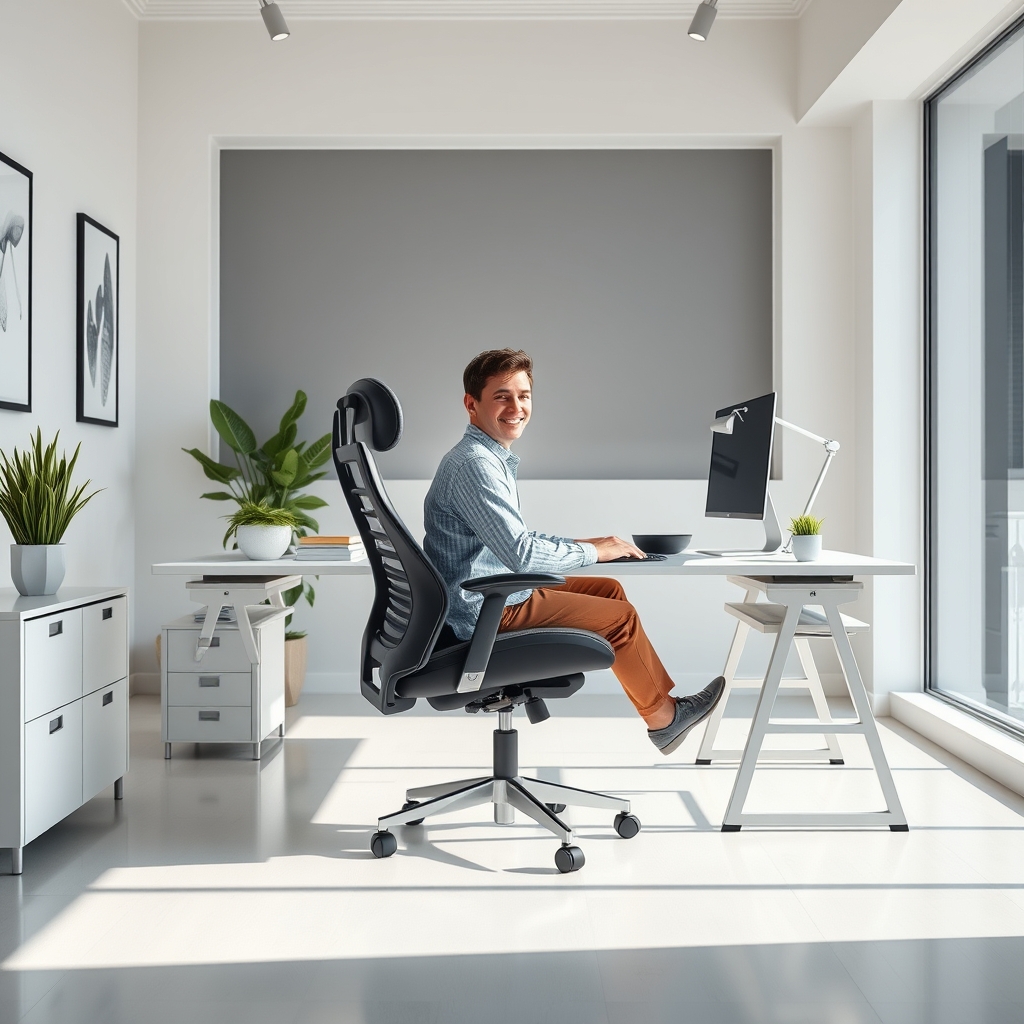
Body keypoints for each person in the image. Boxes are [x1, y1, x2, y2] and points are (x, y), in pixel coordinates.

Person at [423, 348, 724, 755]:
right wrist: (593, 552)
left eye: (524, 395)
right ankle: (665, 720)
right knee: (620, 619)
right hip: (485, 609)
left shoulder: (488, 459)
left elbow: (516, 541)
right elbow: (522, 555)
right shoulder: (474, 465)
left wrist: (590, 546)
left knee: (610, 592)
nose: (517, 407)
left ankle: (662, 707)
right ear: (471, 404)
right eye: (502, 396)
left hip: (490, 590)